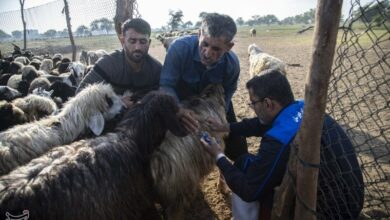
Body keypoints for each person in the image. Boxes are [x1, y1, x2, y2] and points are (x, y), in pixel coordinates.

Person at [200, 69, 364, 220]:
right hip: (352, 202)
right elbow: (260, 123)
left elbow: (249, 191)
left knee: (243, 165)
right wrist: (226, 127)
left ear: (268, 104)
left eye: (253, 103)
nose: (252, 108)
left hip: (322, 213)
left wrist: (218, 156)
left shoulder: (277, 140)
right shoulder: (305, 108)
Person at [159, 12, 247, 161]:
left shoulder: (231, 65)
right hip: (179, 100)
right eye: (204, 44)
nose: (207, 53)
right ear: (199, 34)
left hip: (214, 103)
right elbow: (166, 85)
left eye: (216, 49)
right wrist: (179, 110)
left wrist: (220, 114)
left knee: (238, 147)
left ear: (229, 46)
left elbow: (228, 92)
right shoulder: (179, 49)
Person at [76, 18, 161, 104]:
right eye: (132, 41)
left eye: (143, 42)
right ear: (123, 41)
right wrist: (116, 103)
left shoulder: (156, 69)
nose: (137, 47)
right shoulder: (107, 64)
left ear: (149, 43)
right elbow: (79, 95)